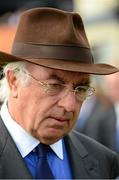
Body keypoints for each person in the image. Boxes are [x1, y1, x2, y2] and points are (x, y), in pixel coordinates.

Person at [0, 7, 119, 179]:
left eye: (81, 89)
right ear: (14, 81)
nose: (70, 105)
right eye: (54, 85)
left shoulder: (103, 162)